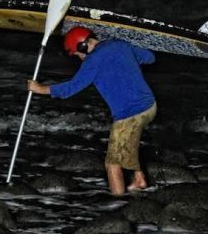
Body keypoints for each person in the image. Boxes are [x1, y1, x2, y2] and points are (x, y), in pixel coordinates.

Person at [28, 26, 157, 196]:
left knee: (112, 164)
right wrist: (125, 60)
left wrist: (40, 89)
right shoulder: (120, 45)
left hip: (130, 115)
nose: (79, 58)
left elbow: (71, 88)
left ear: (83, 46)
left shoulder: (92, 61)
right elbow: (150, 57)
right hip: (150, 107)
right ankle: (139, 179)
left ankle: (118, 206)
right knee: (125, 144)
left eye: (78, 54)